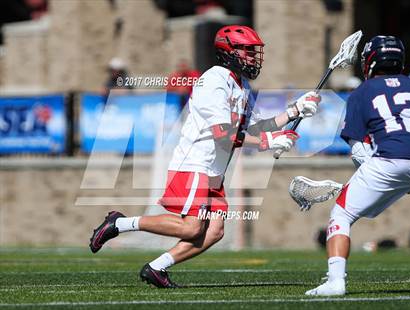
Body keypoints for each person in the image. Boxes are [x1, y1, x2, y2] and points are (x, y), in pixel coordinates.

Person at [89, 25, 321, 288]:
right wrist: (269, 142)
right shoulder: (214, 80)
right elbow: (224, 135)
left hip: (214, 170)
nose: (253, 57)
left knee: (214, 232)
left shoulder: (241, 85)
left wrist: (294, 111)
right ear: (229, 52)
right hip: (194, 163)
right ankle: (119, 223)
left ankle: (156, 267)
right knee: (191, 229)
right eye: (247, 51)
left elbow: (253, 129)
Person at [306, 35, 410, 296]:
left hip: (389, 160)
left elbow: (357, 146)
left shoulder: (363, 92)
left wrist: (371, 176)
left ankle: (335, 281)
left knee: (342, 215)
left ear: (370, 61)